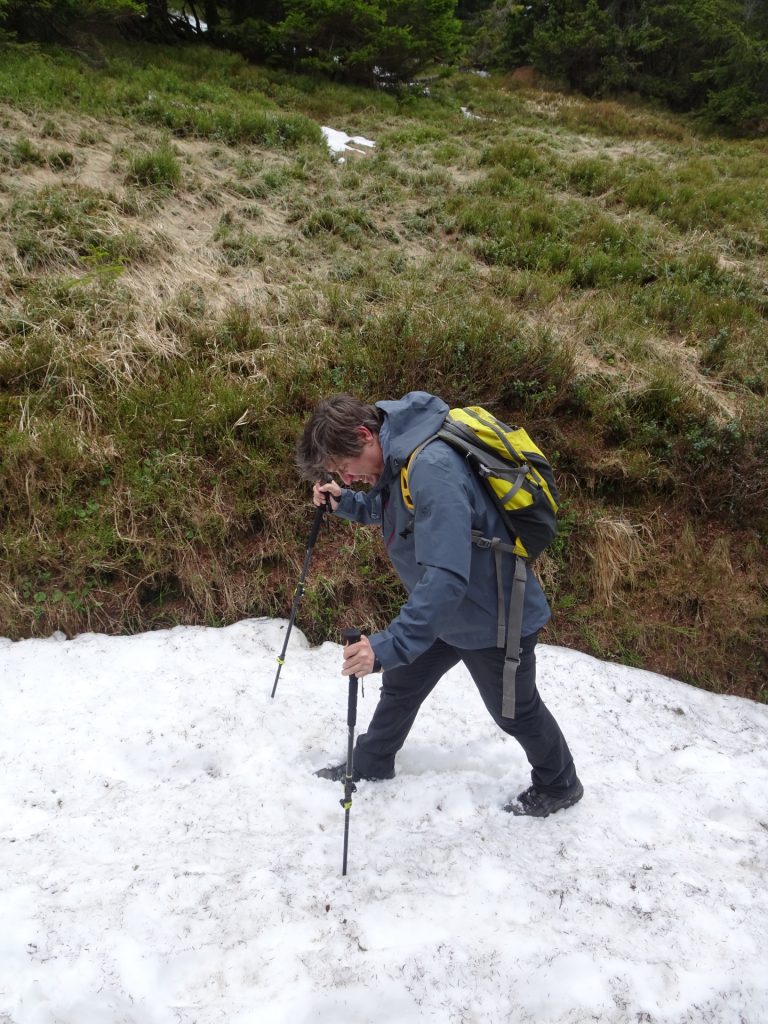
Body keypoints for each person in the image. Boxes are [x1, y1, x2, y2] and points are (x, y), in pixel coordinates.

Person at [296, 391, 583, 817]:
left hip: (493, 615)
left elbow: (447, 576)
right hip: (448, 613)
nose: (347, 476)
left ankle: (560, 784)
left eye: (343, 468)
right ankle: (373, 762)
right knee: (402, 684)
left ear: (363, 435)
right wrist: (348, 502)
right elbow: (400, 511)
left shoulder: (430, 466)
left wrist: (386, 646)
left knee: (515, 712)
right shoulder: (401, 453)